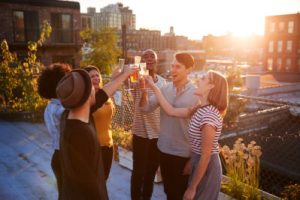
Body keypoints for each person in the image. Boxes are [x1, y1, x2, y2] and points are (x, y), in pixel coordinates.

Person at [145, 70, 228, 200]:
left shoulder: (209, 116)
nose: (199, 79)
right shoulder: (200, 108)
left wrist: (192, 187)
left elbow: (206, 156)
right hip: (198, 161)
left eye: (204, 78)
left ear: (211, 86)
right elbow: (171, 111)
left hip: (207, 169)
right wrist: (153, 87)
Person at [56, 66, 136, 200]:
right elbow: (88, 185)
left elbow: (102, 96)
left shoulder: (69, 116)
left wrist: (123, 75)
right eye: (91, 86)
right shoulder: (80, 135)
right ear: (86, 96)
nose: (96, 88)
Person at [140, 53, 198, 200]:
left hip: (184, 154)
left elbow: (200, 131)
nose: (173, 69)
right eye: (172, 66)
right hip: (164, 150)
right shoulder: (165, 89)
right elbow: (145, 108)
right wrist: (144, 92)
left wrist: (192, 160)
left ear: (189, 70)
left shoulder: (196, 94)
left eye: (178, 66)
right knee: (169, 192)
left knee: (181, 195)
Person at [130, 49, 166, 200]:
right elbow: (127, 83)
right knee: (138, 171)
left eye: (152, 56)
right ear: (142, 61)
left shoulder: (163, 82)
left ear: (157, 61)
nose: (149, 58)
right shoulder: (135, 78)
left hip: (158, 133)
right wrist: (136, 67)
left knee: (151, 171)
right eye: (146, 56)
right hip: (140, 132)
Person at [37, 63, 71, 200]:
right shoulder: (62, 110)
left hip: (57, 156)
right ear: (60, 85)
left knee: (63, 194)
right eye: (68, 80)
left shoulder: (50, 107)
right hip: (66, 157)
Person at [84, 65, 115, 181]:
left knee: (104, 180)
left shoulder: (107, 96)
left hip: (109, 145)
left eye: (97, 75)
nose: (96, 78)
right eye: (92, 76)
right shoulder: (86, 100)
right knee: (94, 182)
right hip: (94, 147)